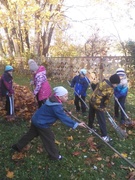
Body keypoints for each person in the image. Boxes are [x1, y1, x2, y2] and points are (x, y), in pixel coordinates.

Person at [11, 86, 86, 160]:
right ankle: (54, 156)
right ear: (59, 97)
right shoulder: (56, 107)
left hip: (36, 119)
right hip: (41, 123)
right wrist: (76, 124)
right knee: (49, 139)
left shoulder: (53, 99)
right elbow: (63, 118)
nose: (67, 98)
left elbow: (57, 112)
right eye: (65, 96)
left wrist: (63, 112)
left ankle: (18, 146)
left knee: (31, 134)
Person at [88, 74, 120, 142]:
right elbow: (106, 100)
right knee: (102, 120)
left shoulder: (103, 82)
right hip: (99, 105)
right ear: (114, 83)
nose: (116, 85)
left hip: (92, 101)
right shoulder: (110, 89)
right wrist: (103, 106)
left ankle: (90, 128)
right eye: (116, 84)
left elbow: (95, 88)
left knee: (91, 115)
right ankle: (104, 136)